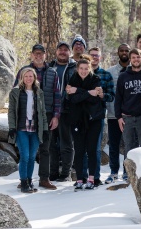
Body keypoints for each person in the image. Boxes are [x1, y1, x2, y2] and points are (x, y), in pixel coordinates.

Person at [14, 44, 61, 190]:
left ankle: (44, 179)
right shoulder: (24, 71)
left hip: (46, 115)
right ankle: (25, 179)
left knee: (45, 148)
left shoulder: (52, 72)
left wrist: (56, 116)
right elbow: (15, 93)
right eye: (36, 53)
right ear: (32, 55)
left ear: (45, 55)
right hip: (27, 116)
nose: (38, 56)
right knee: (27, 152)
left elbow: (57, 96)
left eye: (41, 53)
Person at [65, 57, 103, 190]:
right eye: (81, 68)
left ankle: (92, 179)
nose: (83, 71)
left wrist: (79, 91)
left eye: (86, 68)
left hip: (93, 119)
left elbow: (95, 100)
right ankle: (80, 179)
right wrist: (87, 92)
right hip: (77, 120)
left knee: (92, 150)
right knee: (79, 150)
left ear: (90, 68)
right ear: (77, 69)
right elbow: (73, 100)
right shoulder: (72, 80)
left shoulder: (96, 79)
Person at [8, 68, 48, 193]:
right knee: (24, 156)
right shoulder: (15, 92)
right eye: (26, 76)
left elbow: (42, 112)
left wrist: (45, 129)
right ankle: (23, 182)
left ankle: (30, 181)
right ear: (22, 78)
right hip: (21, 129)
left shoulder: (39, 92)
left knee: (31, 157)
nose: (28, 78)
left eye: (31, 76)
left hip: (35, 129)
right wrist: (12, 127)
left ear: (34, 78)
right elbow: (11, 111)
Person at [115, 48, 141, 177]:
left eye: (138, 57)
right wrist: (118, 117)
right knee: (129, 146)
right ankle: (128, 173)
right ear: (130, 60)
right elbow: (118, 97)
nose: (136, 59)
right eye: (134, 57)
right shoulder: (123, 76)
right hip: (127, 117)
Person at [85, 47, 115, 186]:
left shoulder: (105, 75)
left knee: (96, 148)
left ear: (100, 58)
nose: (94, 58)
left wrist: (103, 95)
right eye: (92, 55)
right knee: (82, 148)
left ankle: (95, 177)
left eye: (97, 55)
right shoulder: (82, 73)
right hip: (82, 116)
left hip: (98, 116)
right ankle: (83, 176)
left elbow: (111, 96)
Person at [48, 41, 76, 182]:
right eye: (60, 49)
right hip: (51, 111)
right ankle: (52, 173)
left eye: (66, 50)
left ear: (69, 53)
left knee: (66, 143)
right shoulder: (50, 67)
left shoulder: (74, 67)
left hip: (67, 111)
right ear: (56, 51)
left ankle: (65, 174)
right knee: (51, 144)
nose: (63, 52)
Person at [105, 43, 130, 184]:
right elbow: (108, 93)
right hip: (114, 115)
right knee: (114, 145)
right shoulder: (110, 72)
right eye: (122, 50)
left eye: (127, 50)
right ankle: (114, 171)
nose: (124, 52)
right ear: (118, 52)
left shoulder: (134, 71)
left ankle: (127, 172)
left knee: (129, 144)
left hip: (129, 115)